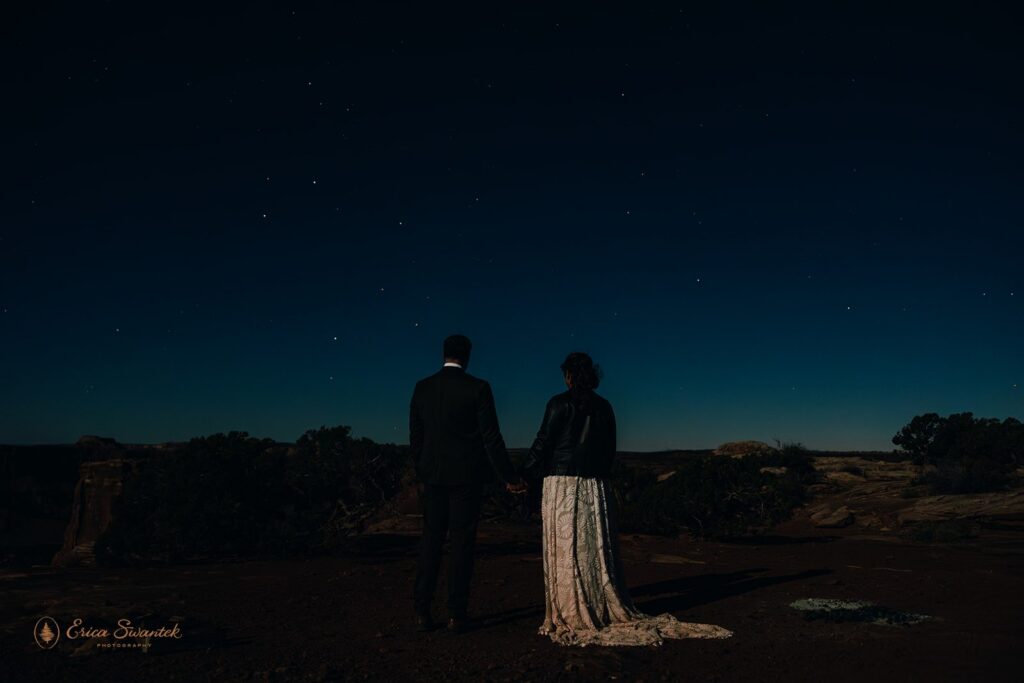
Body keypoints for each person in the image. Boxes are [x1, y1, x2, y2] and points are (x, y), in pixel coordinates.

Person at [521, 352, 734, 646]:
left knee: (567, 545)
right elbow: (609, 450)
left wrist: (523, 476)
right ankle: (595, 602)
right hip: (596, 486)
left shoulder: (559, 403)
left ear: (568, 375)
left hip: (563, 484)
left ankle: (571, 607)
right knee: (592, 548)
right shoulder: (605, 406)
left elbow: (543, 442)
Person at [409, 334, 526, 634]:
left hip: (433, 477)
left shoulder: (423, 388)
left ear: (444, 353)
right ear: (468, 355)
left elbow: (416, 436)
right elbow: (491, 438)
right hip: (466, 479)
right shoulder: (478, 388)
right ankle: (455, 614)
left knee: (431, 541)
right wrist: (509, 477)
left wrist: (422, 470)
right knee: (462, 544)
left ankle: (421, 611)